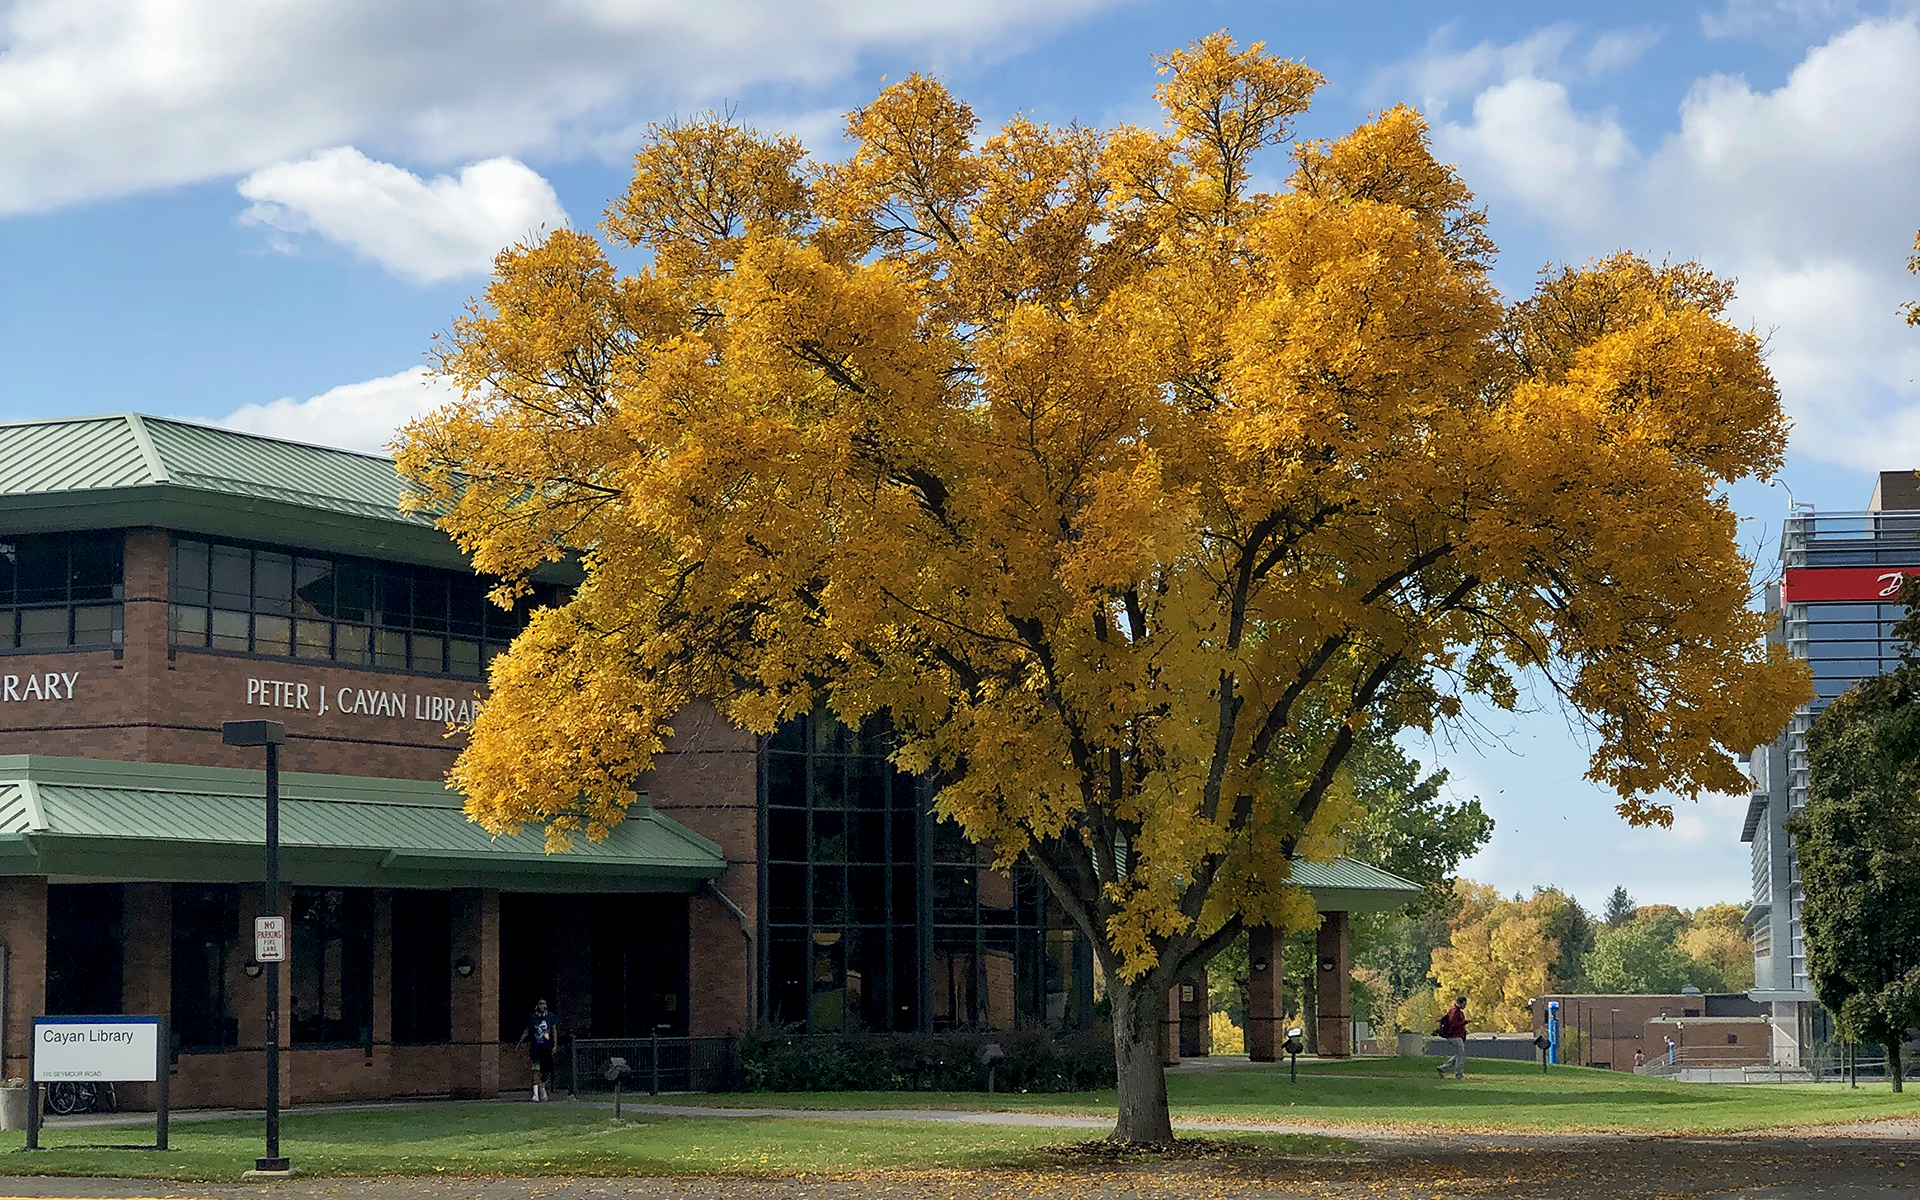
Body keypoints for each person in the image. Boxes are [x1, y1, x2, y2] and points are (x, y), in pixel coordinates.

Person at [517, 999, 560, 1102]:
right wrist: (519, 1042)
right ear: (537, 1005)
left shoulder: (550, 1017)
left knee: (546, 1070)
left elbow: (554, 1031)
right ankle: (535, 1094)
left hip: (547, 1047)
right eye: (540, 1004)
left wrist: (555, 1045)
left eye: (544, 1004)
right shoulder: (533, 1018)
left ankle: (543, 1088)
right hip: (536, 1048)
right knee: (535, 1069)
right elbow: (527, 1031)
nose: (542, 1006)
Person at [1435, 996, 1468, 1080]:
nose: (1465, 1006)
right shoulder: (1455, 1012)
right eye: (1464, 1004)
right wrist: (1464, 1023)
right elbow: (1453, 1024)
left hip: (1455, 1036)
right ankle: (1459, 1075)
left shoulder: (1453, 1010)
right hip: (1455, 1036)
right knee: (1460, 1056)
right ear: (1459, 1003)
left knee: (1459, 1055)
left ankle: (1443, 1068)